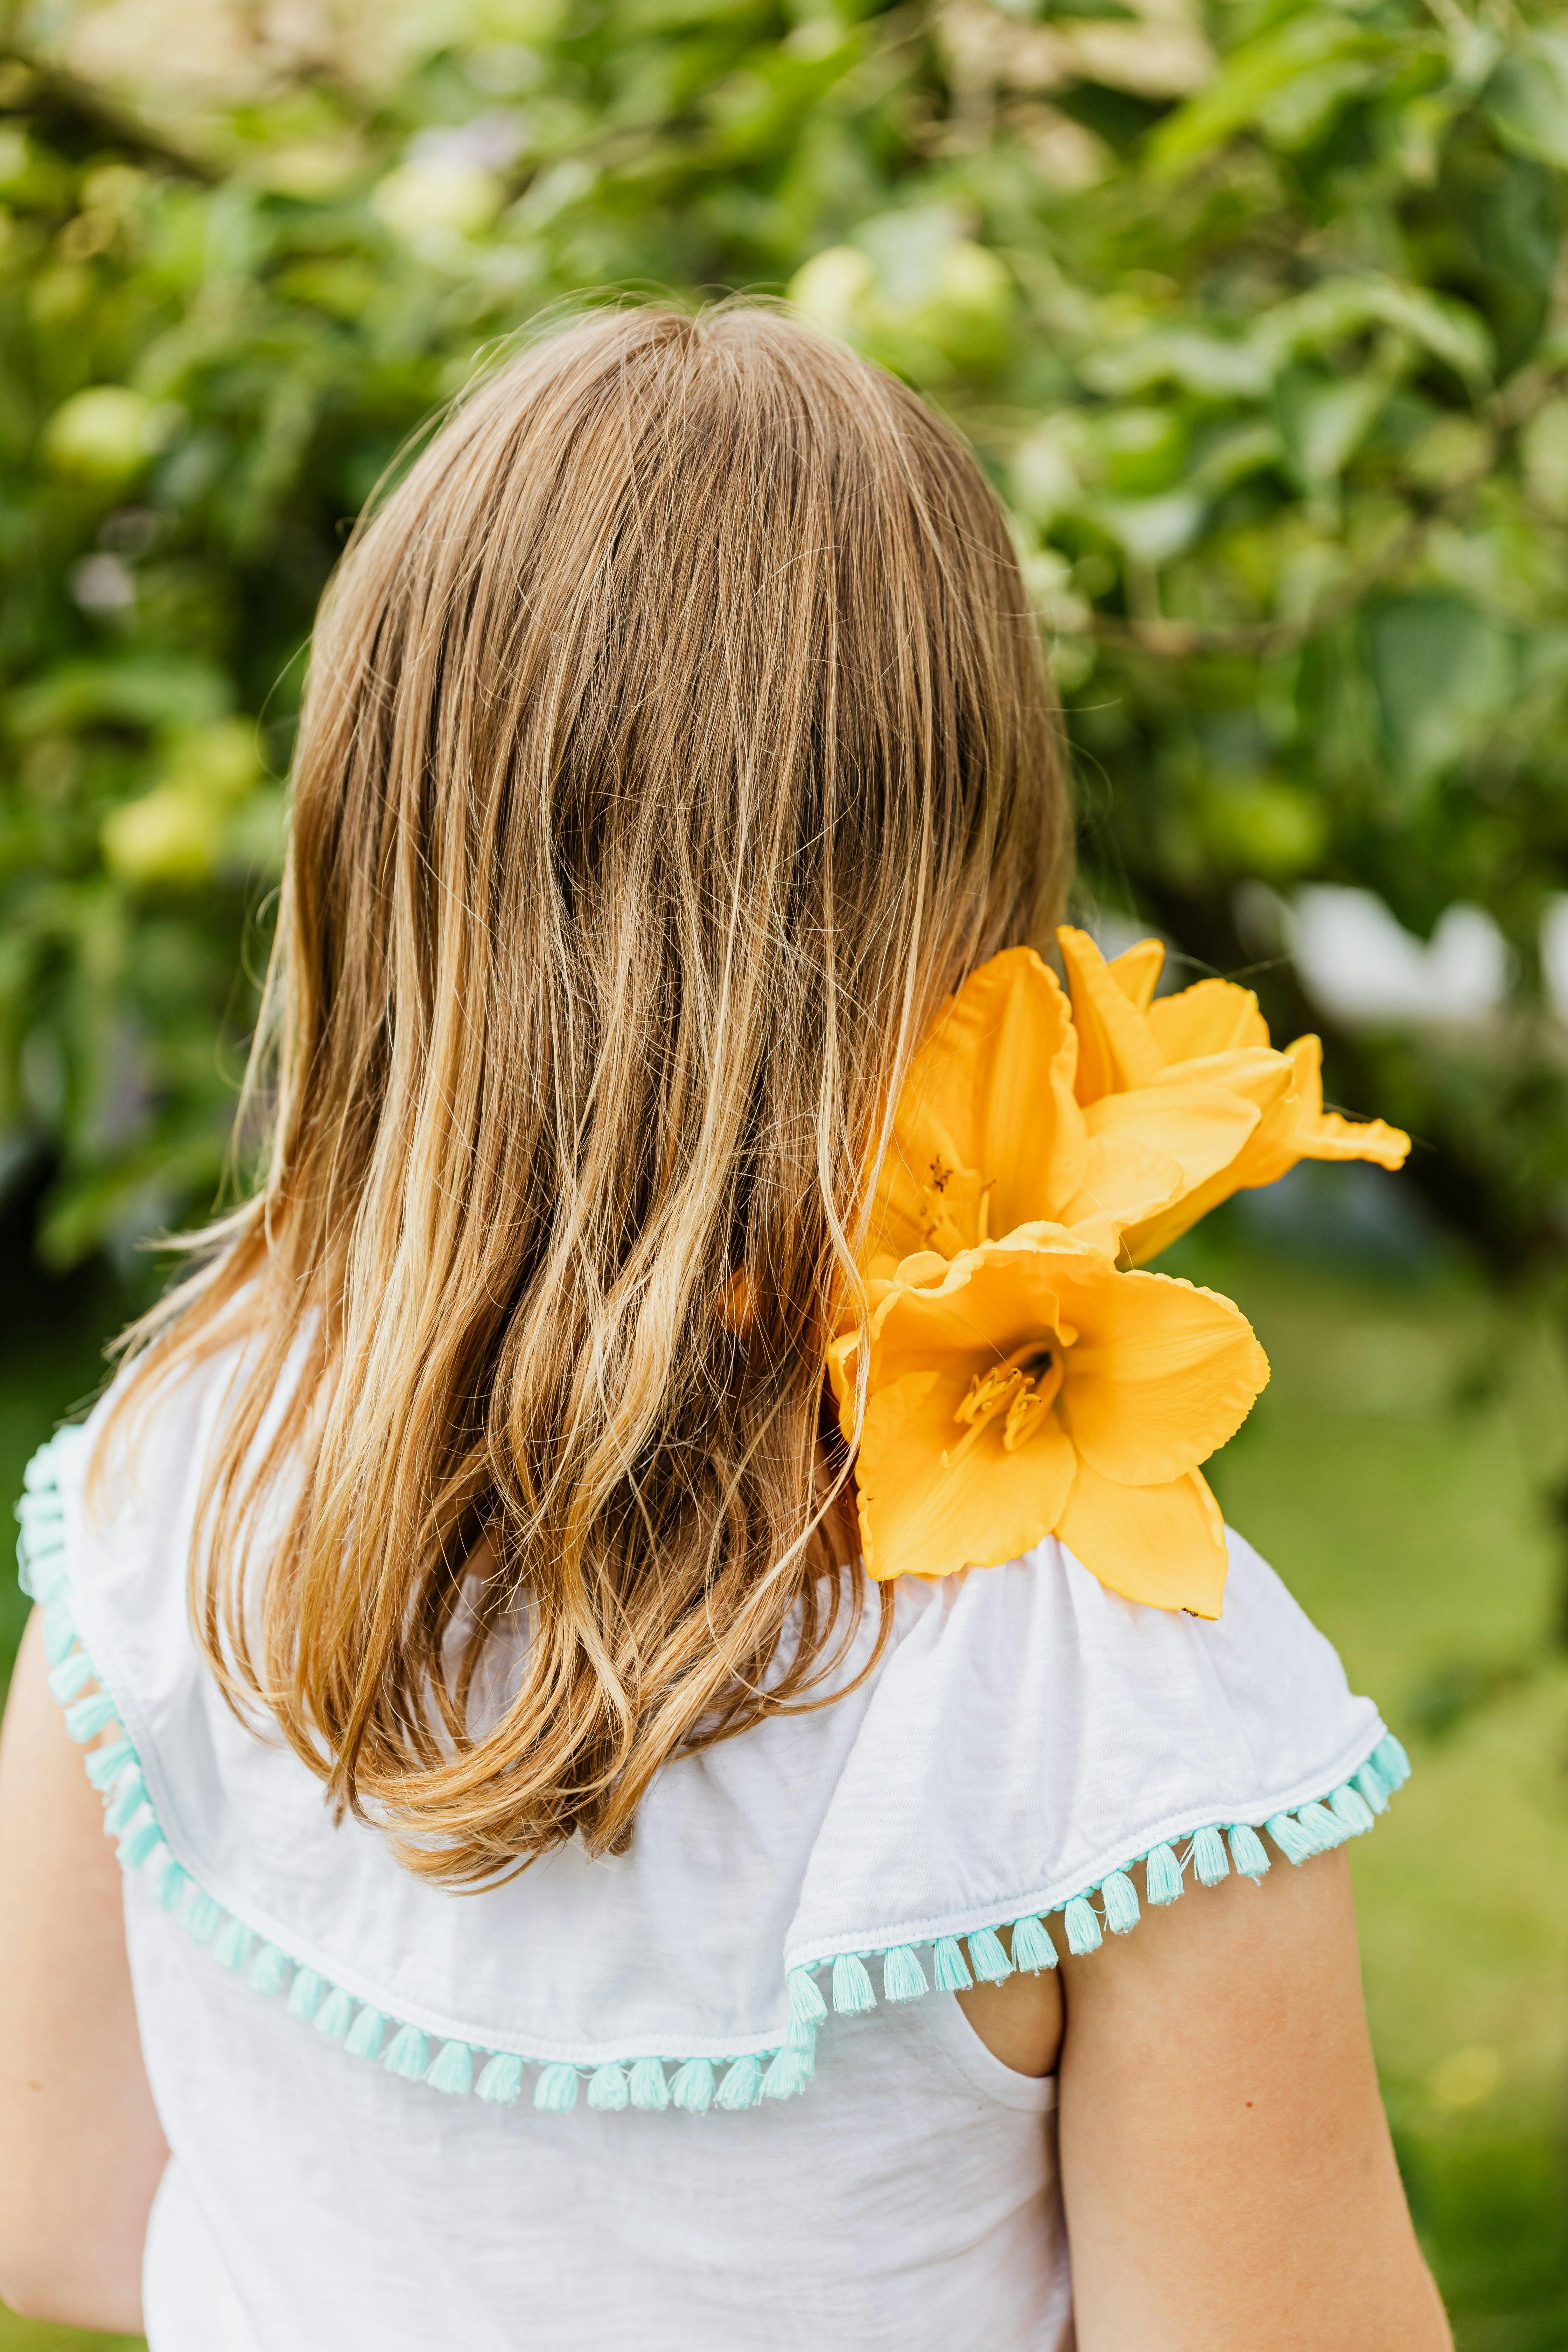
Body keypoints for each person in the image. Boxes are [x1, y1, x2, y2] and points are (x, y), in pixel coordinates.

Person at [0, 303, 1450, 2352]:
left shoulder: (187, 1455)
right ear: (972, 866)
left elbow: (53, 2202)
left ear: (373, 853)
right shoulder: (1107, 1690)